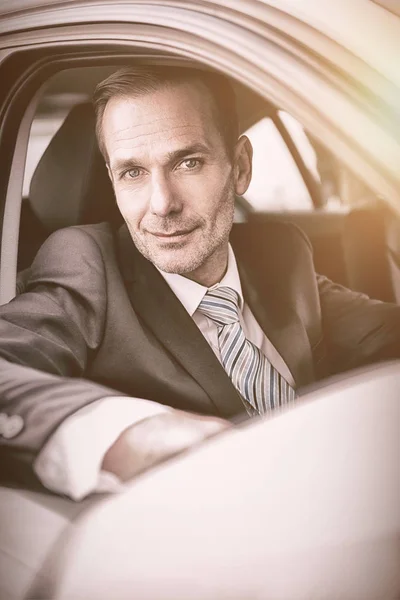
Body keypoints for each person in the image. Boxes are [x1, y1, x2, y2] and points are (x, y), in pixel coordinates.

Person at [0, 66, 399, 500]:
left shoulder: (279, 252)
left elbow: (383, 330)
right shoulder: (84, 262)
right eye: (132, 172)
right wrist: (129, 434)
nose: (162, 204)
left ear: (240, 166)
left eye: (188, 162)